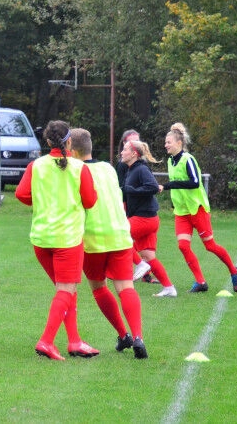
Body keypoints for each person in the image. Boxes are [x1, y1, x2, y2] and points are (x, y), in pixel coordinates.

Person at [15, 120, 99, 361]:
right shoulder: (79, 168)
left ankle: (75, 341)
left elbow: (21, 194)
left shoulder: (36, 165)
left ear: (48, 141)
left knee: (66, 290)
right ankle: (46, 341)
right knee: (66, 289)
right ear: (69, 141)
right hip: (67, 239)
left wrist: (42, 201)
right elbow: (90, 201)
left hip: (41, 238)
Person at [69, 128, 147, 359]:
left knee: (99, 287)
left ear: (72, 150)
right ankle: (138, 337)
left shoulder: (75, 171)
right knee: (126, 288)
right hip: (120, 235)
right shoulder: (108, 168)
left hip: (92, 238)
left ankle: (123, 334)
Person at [159, 122, 237, 293]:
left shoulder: (188, 159)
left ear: (179, 143)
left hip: (197, 209)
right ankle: (201, 282)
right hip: (182, 212)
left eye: (168, 142)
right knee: (183, 246)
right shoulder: (170, 161)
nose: (165, 145)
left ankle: (234, 271)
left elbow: (195, 182)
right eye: (165, 142)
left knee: (210, 246)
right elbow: (178, 186)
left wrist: (169, 185)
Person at [121, 139, 176, 297]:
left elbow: (153, 187)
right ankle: (169, 288)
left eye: (125, 149)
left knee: (118, 237)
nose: (122, 152)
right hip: (147, 218)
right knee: (149, 257)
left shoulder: (141, 169)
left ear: (134, 153)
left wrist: (132, 190)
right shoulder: (131, 170)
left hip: (145, 218)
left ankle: (140, 265)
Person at [115, 129, 156, 284]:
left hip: (144, 213)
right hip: (131, 208)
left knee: (122, 238)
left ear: (135, 152)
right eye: (130, 141)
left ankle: (141, 269)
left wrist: (134, 191)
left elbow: (149, 186)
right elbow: (122, 189)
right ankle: (165, 285)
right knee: (140, 248)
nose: (135, 142)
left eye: (137, 140)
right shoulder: (123, 165)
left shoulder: (140, 166)